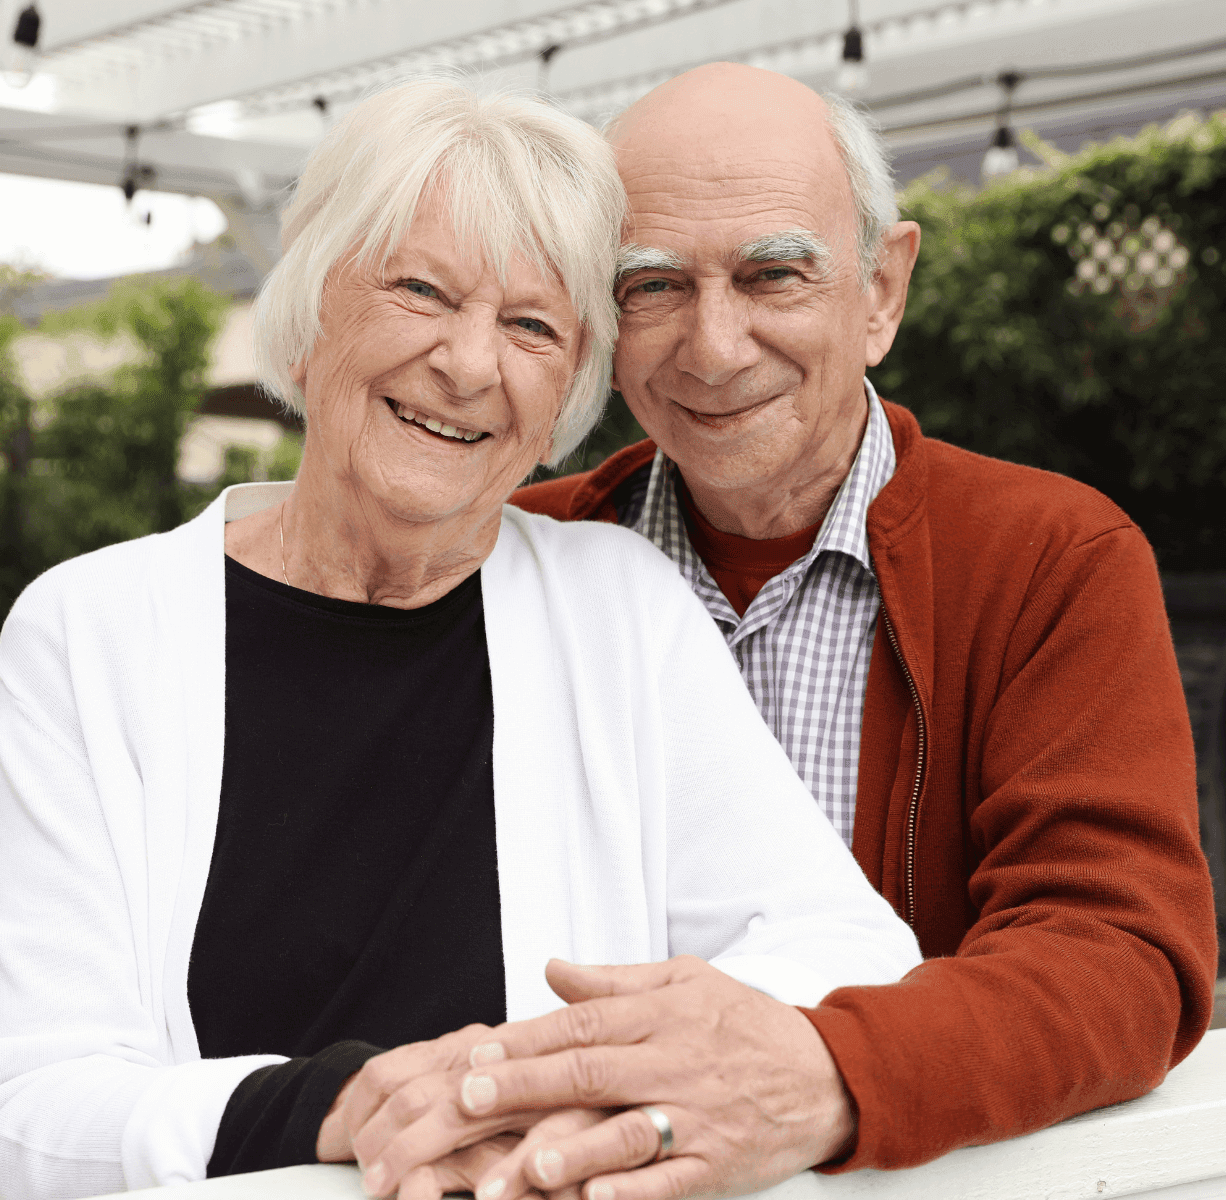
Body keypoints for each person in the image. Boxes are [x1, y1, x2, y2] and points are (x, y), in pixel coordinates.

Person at [0, 78, 922, 1199]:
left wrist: (582, 1079)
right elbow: (16, 1107)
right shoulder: (92, 630)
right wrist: (348, 1106)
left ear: (562, 404)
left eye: (530, 326)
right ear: (309, 321)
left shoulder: (619, 607)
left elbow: (847, 950)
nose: (467, 363)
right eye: (420, 290)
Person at [280, 62, 1218, 1200]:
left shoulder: (1044, 559)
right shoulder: (507, 553)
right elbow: (303, 623)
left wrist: (821, 1074)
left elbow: (1119, 959)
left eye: (771, 274)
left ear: (881, 291)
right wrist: (93, 711)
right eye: (651, 286)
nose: (712, 348)